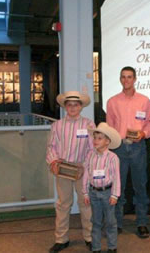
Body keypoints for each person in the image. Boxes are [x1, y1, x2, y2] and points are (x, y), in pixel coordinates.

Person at [46, 91, 94, 252]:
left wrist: (84, 166)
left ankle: (89, 237)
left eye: (76, 104)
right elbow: (51, 147)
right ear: (65, 106)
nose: (73, 107)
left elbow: (92, 148)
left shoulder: (89, 125)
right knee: (63, 204)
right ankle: (61, 239)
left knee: (85, 203)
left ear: (81, 106)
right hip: (63, 168)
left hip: (82, 168)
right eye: (69, 104)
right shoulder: (57, 125)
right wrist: (53, 162)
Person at [106, 66, 150, 238]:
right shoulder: (112, 101)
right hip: (118, 148)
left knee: (140, 186)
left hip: (138, 147)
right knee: (118, 188)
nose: (126, 80)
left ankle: (141, 223)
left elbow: (148, 124)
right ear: (120, 79)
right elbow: (109, 127)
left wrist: (144, 133)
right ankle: (116, 222)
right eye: (123, 77)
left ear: (135, 79)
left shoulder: (144, 101)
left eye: (129, 77)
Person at [83, 122, 121, 253]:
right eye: (94, 138)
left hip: (107, 192)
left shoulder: (113, 157)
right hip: (93, 192)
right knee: (96, 221)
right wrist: (85, 193)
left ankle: (112, 247)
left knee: (110, 221)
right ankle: (96, 247)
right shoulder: (90, 155)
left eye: (100, 138)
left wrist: (115, 195)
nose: (95, 141)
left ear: (107, 142)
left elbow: (116, 177)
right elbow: (86, 174)